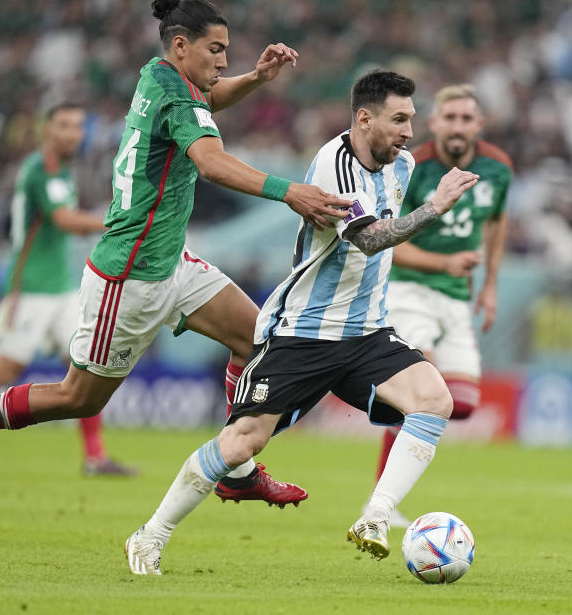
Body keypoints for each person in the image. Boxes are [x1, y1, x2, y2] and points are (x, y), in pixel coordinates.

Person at [0, 0, 352, 509]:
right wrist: (289, 191)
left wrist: (253, 79)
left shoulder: (156, 74)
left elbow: (207, 102)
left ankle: (235, 467)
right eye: (216, 50)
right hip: (128, 278)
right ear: (181, 45)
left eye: (227, 51)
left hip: (171, 264)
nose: (225, 60)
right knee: (77, 397)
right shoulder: (177, 96)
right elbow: (209, 161)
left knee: (258, 341)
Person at [123, 70, 480, 575]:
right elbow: (371, 239)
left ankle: (375, 517)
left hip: (367, 334)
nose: (408, 132)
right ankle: (150, 535)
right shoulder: (332, 166)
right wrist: (436, 206)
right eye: (399, 119)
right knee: (242, 443)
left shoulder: (401, 166)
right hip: (303, 334)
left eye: (411, 120)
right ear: (364, 118)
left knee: (434, 399)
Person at [0, 102, 134, 476]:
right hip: (29, 290)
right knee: (4, 368)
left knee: (85, 369)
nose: (74, 133)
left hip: (61, 290)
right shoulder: (39, 170)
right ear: (47, 131)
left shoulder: (65, 171)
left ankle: (95, 458)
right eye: (64, 126)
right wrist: (118, 222)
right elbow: (65, 220)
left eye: (78, 126)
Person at [376, 84, 512, 526]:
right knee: (422, 392)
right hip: (409, 291)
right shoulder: (412, 168)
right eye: (448, 118)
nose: (457, 126)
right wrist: (444, 261)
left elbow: (495, 222)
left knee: (464, 403)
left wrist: (489, 285)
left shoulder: (497, 169)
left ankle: (387, 406)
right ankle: (381, 503)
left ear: (479, 125)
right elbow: (387, 242)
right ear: (433, 124)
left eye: (465, 118)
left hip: (456, 298)